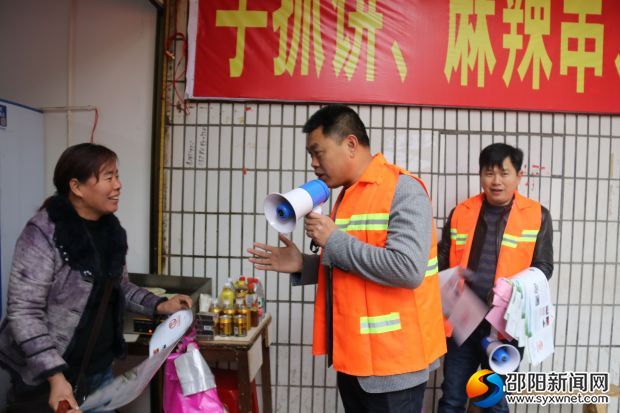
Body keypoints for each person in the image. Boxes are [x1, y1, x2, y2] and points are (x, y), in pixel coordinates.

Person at [248, 104, 446, 412]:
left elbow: (407, 269)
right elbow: (354, 267)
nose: (313, 164)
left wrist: (333, 239)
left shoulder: (403, 189)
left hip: (395, 365)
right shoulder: (347, 196)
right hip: (354, 359)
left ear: (350, 144)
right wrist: (305, 264)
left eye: (318, 152)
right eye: (311, 156)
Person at [0, 143, 192, 413]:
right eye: (109, 177)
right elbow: (24, 312)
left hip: (98, 370)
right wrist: (55, 376)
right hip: (47, 378)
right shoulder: (42, 233)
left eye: (117, 175)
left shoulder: (110, 230)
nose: (118, 185)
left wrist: (160, 305)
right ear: (77, 187)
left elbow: (118, 287)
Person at [437, 143, 554, 413]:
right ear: (480, 175)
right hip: (462, 322)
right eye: (489, 173)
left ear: (519, 176)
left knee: (493, 402)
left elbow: (544, 267)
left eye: (504, 173)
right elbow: (443, 258)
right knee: (452, 397)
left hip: (506, 325)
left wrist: (513, 289)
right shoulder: (461, 212)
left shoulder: (537, 216)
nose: (496, 181)